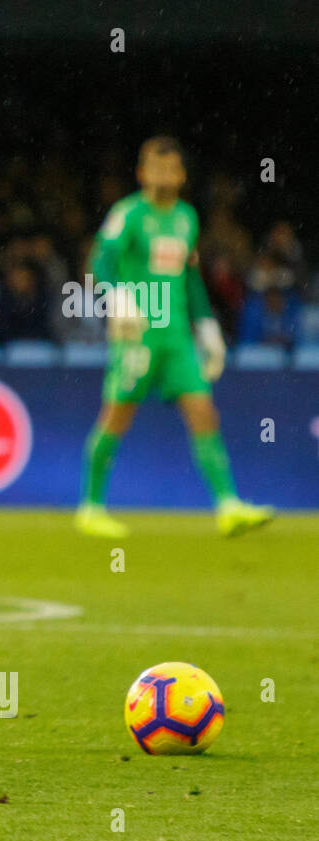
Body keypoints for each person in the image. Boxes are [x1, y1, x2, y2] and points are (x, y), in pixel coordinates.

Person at [75, 137, 273, 539]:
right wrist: (115, 298)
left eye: (171, 168)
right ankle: (91, 507)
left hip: (178, 336)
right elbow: (101, 259)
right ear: (141, 172)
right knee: (116, 417)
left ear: (182, 176)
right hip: (138, 337)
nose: (163, 174)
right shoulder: (127, 214)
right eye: (155, 166)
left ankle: (228, 505)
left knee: (203, 412)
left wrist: (207, 325)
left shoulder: (187, 217)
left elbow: (189, 274)